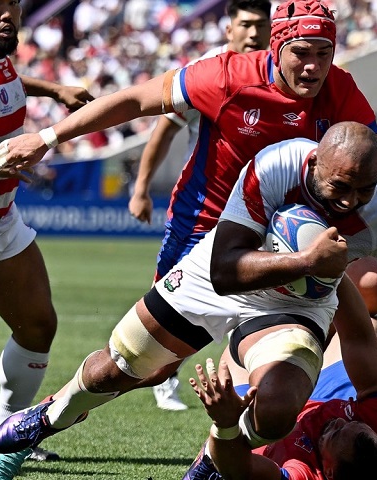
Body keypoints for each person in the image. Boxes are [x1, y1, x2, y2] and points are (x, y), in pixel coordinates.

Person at [0, 122, 377, 479]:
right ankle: (47, 417)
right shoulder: (277, 164)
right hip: (224, 268)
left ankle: (213, 461)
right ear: (314, 164)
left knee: (278, 409)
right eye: (339, 187)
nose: (349, 201)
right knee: (121, 368)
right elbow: (225, 270)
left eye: (363, 190)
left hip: (294, 306)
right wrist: (309, 261)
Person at [0, 0, 93, 466]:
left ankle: (5, 436)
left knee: (37, 325)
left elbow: (1, 80)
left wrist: (54, 89)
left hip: (1, 221)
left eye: (13, 2)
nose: (8, 13)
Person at [128, 0, 272, 412]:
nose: (253, 33)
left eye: (261, 25)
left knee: (257, 297)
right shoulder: (207, 72)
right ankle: (158, 374)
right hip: (201, 210)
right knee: (167, 296)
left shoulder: (281, 72)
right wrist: (141, 188)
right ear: (228, 29)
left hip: (259, 214)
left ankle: (249, 381)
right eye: (245, 24)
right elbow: (163, 131)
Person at [185, 257, 377, 480]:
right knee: (372, 293)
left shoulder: (303, 475)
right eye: (354, 422)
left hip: (270, 437)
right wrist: (329, 268)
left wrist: (225, 425)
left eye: (335, 434)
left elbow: (241, 469)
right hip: (330, 396)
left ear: (329, 472)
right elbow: (359, 338)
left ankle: (209, 456)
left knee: (247, 374)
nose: (339, 420)